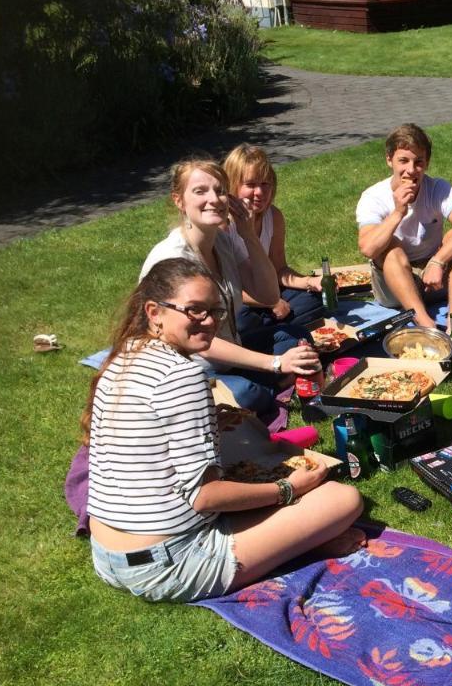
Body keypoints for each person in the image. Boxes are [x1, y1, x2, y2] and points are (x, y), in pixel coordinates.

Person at [85, 258, 365, 603]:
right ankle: (302, 544)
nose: (208, 322)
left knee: (238, 439)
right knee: (343, 499)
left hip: (108, 554)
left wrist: (212, 422)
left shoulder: (125, 354)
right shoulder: (182, 377)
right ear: (154, 312)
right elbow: (205, 498)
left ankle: (293, 538)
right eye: (194, 311)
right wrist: (287, 489)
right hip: (171, 564)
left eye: (216, 312)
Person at [140, 158, 320, 415]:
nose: (213, 199)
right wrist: (275, 363)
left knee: (295, 336)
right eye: (200, 191)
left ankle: (260, 386)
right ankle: (265, 387)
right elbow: (201, 340)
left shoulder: (222, 242)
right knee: (249, 393)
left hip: (230, 351)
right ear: (178, 200)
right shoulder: (174, 260)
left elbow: (268, 295)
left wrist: (247, 233)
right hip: (188, 368)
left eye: (220, 190)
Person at [356, 124, 452, 355]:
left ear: (427, 163)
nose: (411, 170)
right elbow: (368, 248)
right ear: (389, 160)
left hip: (433, 277)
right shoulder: (373, 196)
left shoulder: (438, 188)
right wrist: (398, 212)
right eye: (403, 161)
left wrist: (438, 261)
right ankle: (426, 324)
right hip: (393, 284)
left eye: (419, 162)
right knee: (391, 249)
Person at [223, 144, 330, 353]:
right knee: (241, 319)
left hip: (268, 293)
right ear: (233, 185)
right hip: (240, 302)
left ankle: (271, 332)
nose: (260, 192)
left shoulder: (274, 216)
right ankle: (275, 332)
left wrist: (310, 281)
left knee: (314, 299)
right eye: (251, 184)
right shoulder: (224, 226)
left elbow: (279, 269)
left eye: (265, 184)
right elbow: (227, 289)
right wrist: (270, 303)